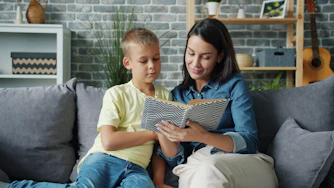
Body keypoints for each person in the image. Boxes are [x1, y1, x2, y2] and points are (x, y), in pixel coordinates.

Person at [4, 27, 178, 188]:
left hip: (137, 169)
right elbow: (108, 141)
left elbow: (159, 149)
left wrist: (158, 181)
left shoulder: (165, 97)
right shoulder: (116, 94)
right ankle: (19, 186)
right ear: (128, 63)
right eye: (143, 60)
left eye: (156, 58)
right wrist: (153, 133)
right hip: (103, 159)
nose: (151, 66)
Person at [156, 18, 278, 188]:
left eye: (205, 57)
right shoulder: (178, 95)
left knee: (210, 169)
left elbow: (249, 141)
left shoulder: (234, 84)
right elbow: (176, 159)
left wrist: (203, 136)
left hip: (241, 161)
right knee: (204, 171)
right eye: (191, 53)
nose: (195, 63)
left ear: (220, 56)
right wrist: (160, 128)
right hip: (196, 164)